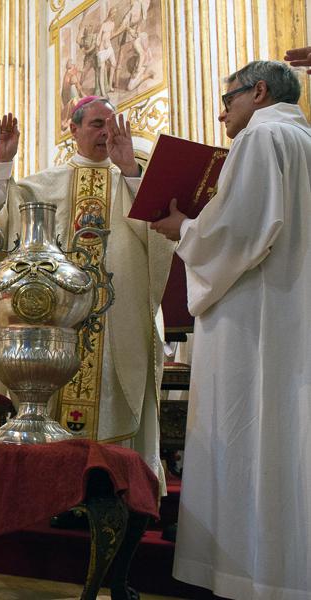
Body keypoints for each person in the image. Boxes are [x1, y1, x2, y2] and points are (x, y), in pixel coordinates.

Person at [150, 60, 311, 600]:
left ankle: (249, 575)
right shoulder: (305, 140)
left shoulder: (262, 139)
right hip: (295, 313)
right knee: (289, 437)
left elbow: (239, 233)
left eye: (229, 99)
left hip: (255, 318)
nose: (222, 112)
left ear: (259, 92)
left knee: (250, 433)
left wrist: (184, 230)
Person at [0, 102, 174, 489]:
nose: (106, 133)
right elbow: (1, 226)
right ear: (74, 129)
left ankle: (117, 492)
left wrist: (130, 169)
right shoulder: (44, 184)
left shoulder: (131, 182)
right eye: (97, 124)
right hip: (59, 325)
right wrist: (2, 165)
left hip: (116, 323)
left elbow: (160, 237)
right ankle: (49, 489)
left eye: (112, 126)